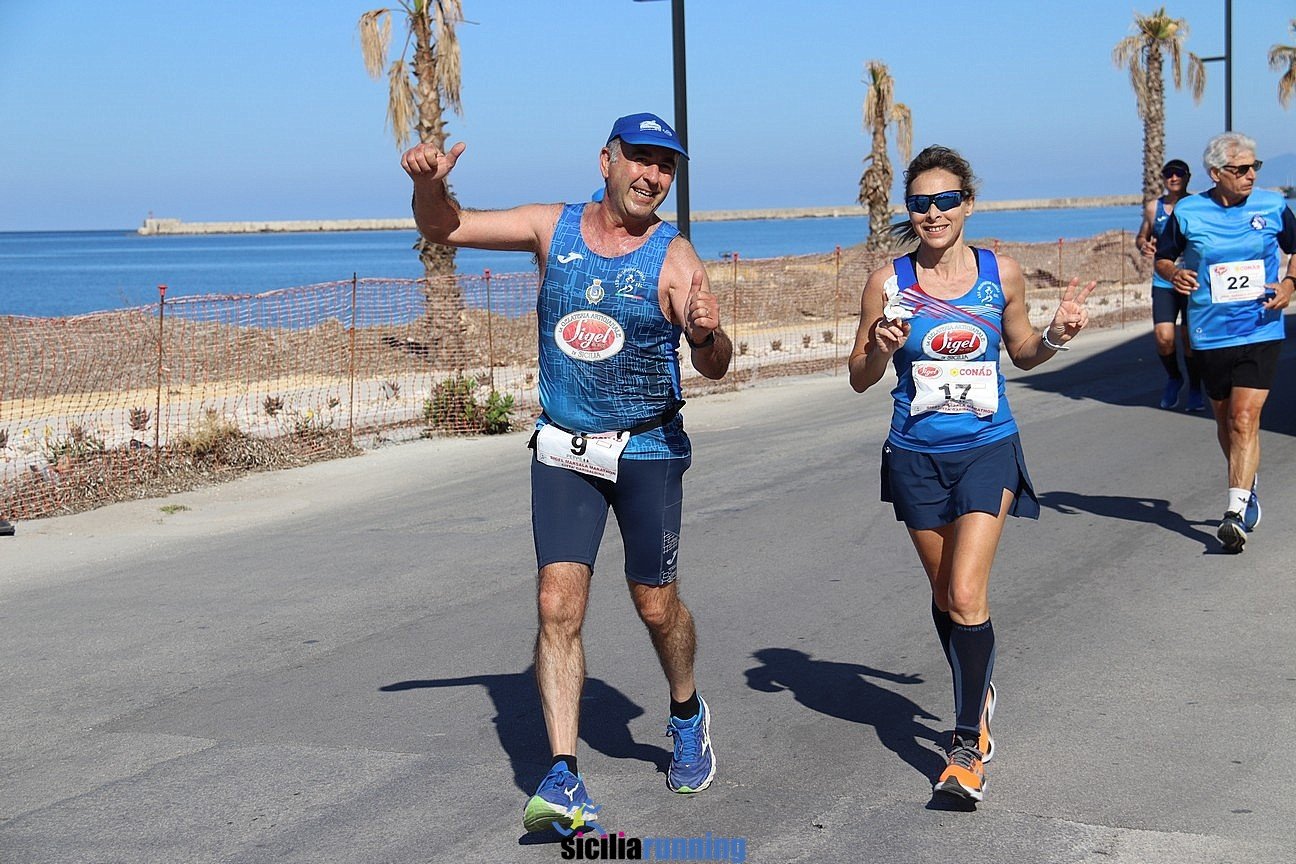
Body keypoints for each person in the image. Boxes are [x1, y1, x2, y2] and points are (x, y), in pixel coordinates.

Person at [401, 112, 733, 832]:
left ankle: (686, 712)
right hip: (565, 448)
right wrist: (430, 186)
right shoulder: (552, 228)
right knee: (557, 605)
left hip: (647, 448)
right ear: (606, 161)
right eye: (640, 159)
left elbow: (713, 363)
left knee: (656, 606)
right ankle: (563, 775)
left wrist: (708, 334)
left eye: (665, 166)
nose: (652, 176)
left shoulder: (675, 258)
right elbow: (445, 227)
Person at [847, 145, 1095, 803]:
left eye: (946, 200)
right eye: (920, 203)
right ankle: (977, 687)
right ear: (909, 210)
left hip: (988, 448)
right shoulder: (888, 283)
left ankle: (964, 748)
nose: (933, 213)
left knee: (964, 592)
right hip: (914, 456)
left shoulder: (999, 273)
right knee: (945, 595)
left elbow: (1023, 351)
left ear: (968, 204)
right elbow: (859, 377)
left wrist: (1057, 335)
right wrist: (879, 349)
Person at [1155, 131, 1296, 554]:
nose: (1251, 175)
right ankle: (1247, 483)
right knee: (1225, 421)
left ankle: (1234, 511)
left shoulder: (1273, 205)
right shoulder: (1189, 211)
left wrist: (1290, 283)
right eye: (1242, 169)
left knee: (1243, 417)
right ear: (1216, 173)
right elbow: (1163, 257)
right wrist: (1174, 273)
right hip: (1209, 332)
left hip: (1260, 327)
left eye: (1255, 167)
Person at [1136, 158, 1204, 411]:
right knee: (1163, 337)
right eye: (1168, 174)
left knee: (1188, 338)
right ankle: (1174, 377)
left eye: (1178, 174)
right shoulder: (1154, 207)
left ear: (1188, 177)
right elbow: (1142, 235)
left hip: (1190, 279)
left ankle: (1195, 388)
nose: (1173, 178)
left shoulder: (1198, 205)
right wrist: (1144, 245)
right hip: (1163, 280)